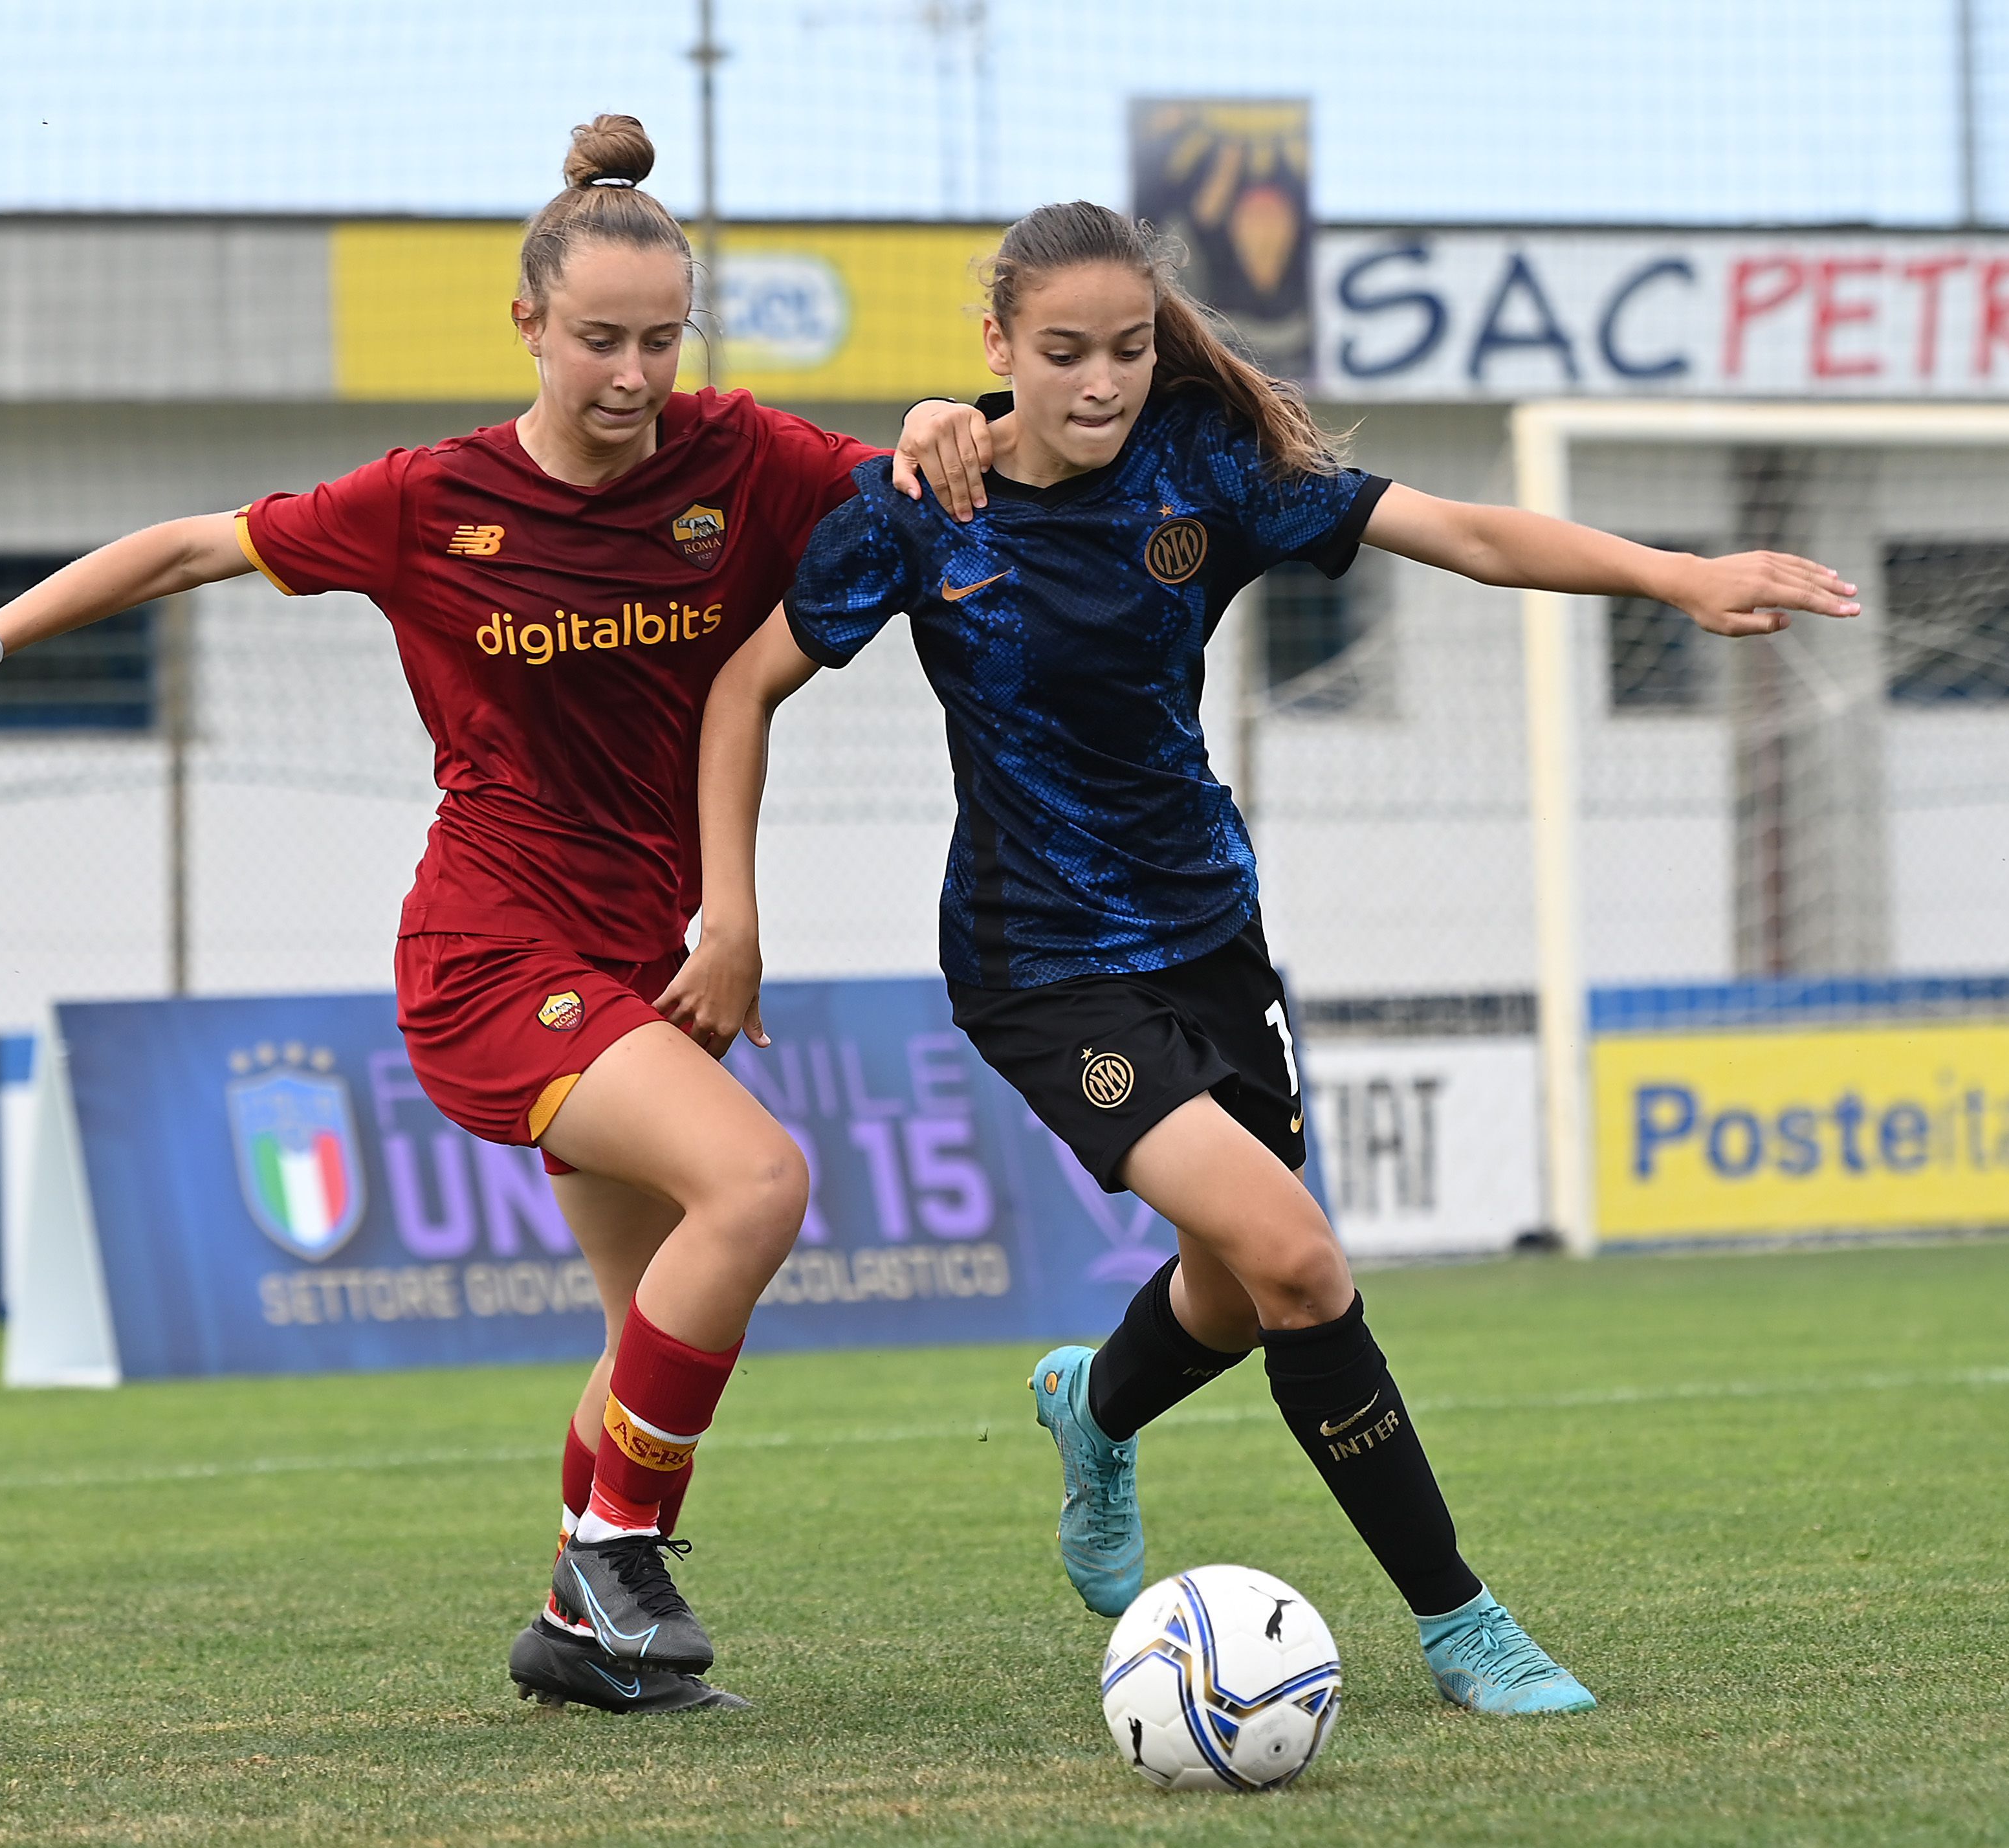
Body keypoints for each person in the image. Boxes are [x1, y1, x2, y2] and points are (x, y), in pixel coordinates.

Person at [0, 116, 981, 1717]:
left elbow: (912, 481)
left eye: (660, 339)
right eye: (598, 341)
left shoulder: (743, 462)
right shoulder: (430, 500)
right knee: (761, 1180)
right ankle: (617, 1551)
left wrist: (937, 414)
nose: (634, 374)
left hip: (635, 961)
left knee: (636, 1325)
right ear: (527, 325)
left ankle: (578, 1638)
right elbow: (188, 545)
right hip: (491, 954)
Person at [683, 200, 1859, 1717]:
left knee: (1237, 1292)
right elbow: (739, 690)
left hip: (1210, 939)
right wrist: (734, 916)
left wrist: (1675, 575)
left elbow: (1470, 536)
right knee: (1300, 1260)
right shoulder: (919, 504)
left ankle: (1092, 1409)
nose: (1099, 382)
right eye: (1060, 354)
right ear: (995, 348)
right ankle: (1462, 1622)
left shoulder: (1207, 468)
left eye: (1124, 348)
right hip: (1040, 968)